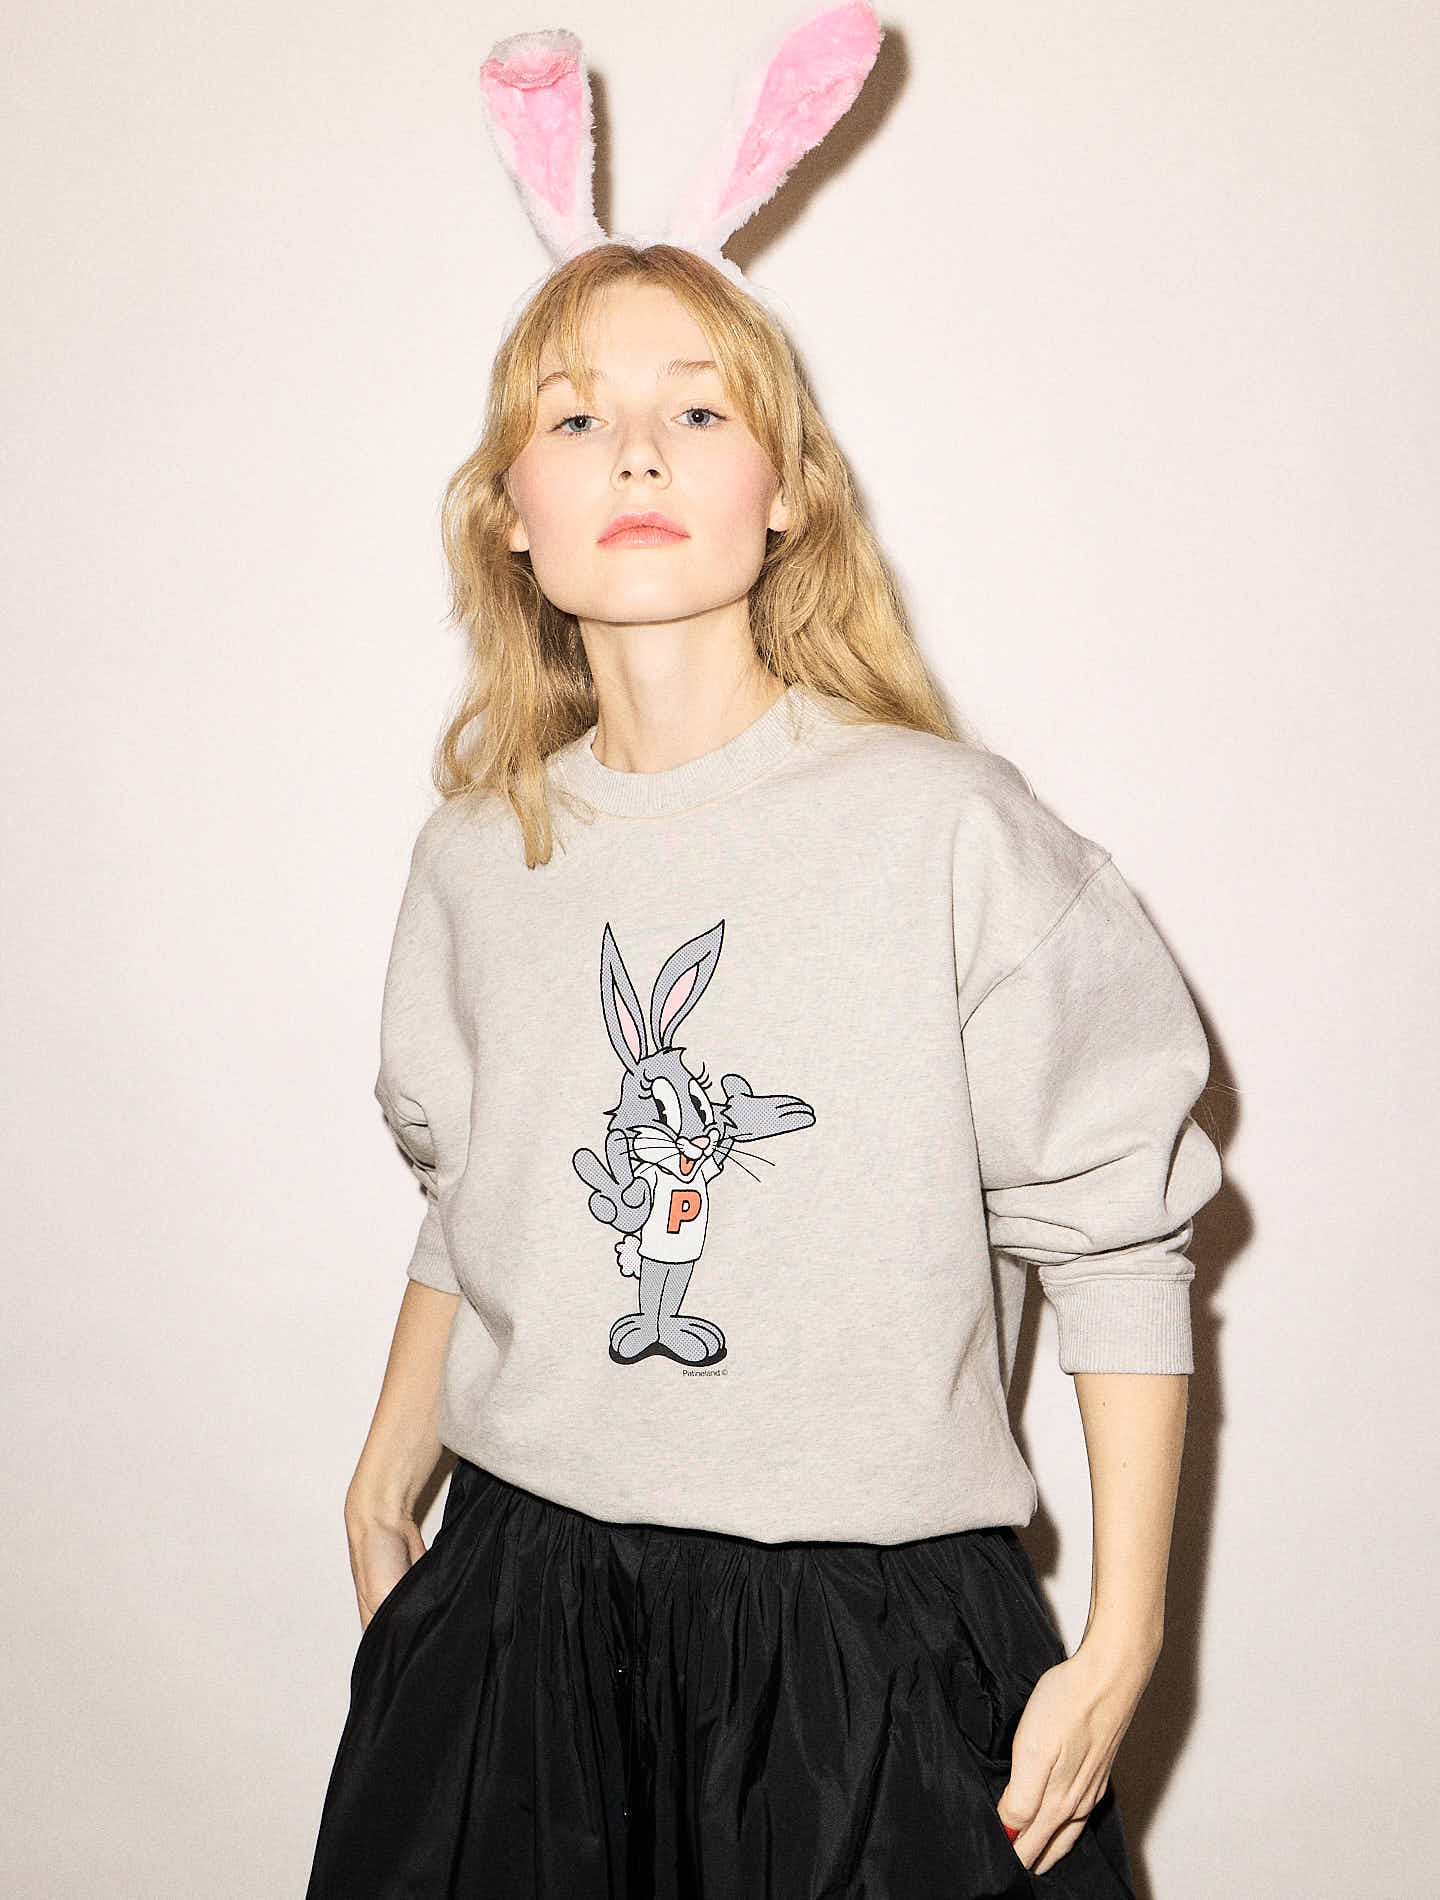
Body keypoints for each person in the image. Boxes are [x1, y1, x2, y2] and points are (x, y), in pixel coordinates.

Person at [306, 17, 1222, 1900]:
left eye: (701, 410)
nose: (636, 447)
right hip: (521, 1618)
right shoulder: (478, 853)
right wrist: (388, 1471)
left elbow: (1116, 1233)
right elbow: (474, 1195)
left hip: (862, 1655)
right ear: (510, 511)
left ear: (789, 487)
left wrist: (1125, 1634)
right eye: (575, 416)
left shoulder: (947, 831)